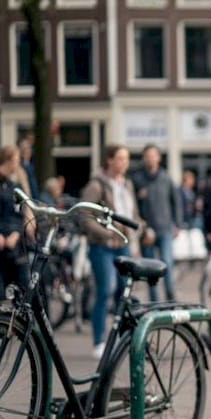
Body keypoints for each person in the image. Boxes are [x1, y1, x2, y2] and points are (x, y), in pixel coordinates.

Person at [79, 144, 145, 359]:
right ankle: (98, 341)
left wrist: (140, 229)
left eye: (126, 158)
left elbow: (133, 214)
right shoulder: (96, 185)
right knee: (105, 290)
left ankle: (121, 338)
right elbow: (85, 217)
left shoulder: (127, 184)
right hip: (102, 247)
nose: (124, 163)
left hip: (124, 245)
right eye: (120, 158)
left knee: (123, 293)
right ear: (108, 160)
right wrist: (108, 235)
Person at [132, 144, 182, 301]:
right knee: (149, 268)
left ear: (159, 158)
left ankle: (170, 297)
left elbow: (176, 202)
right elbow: (133, 206)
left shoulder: (166, 178)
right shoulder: (137, 180)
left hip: (165, 229)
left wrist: (177, 224)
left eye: (153, 155)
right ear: (143, 158)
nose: (150, 159)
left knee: (167, 263)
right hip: (146, 232)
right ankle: (154, 301)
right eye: (147, 156)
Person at [0, 145, 27, 303]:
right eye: (16, 160)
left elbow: (19, 215)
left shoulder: (15, 188)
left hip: (13, 246)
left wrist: (15, 233)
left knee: (22, 289)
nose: (18, 164)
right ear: (7, 161)